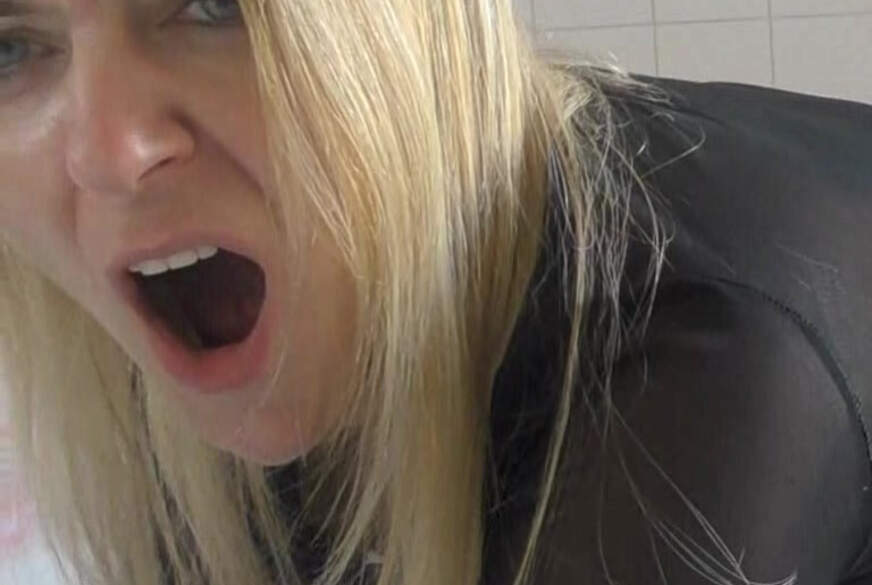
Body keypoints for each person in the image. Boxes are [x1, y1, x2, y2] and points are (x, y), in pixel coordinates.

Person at [1, 1, 871, 584]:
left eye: (215, 6)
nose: (106, 154)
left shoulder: (699, 353)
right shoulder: (151, 366)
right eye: (11, 48)